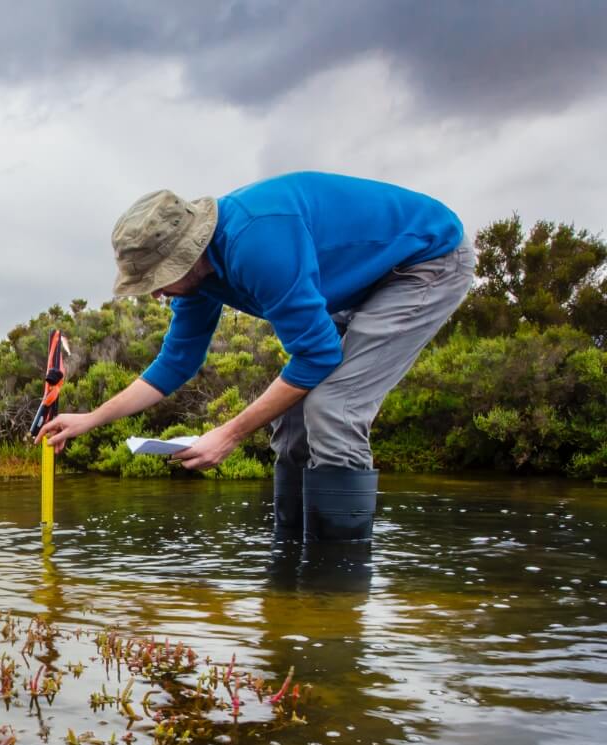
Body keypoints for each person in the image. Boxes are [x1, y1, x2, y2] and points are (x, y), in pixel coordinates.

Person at [36, 171, 475, 542]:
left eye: (160, 277)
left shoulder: (258, 244)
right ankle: (288, 574)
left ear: (189, 254)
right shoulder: (200, 279)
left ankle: (335, 590)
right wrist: (91, 418)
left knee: (332, 407)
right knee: (294, 418)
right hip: (358, 281)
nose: (155, 291)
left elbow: (317, 356)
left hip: (424, 263)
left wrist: (229, 434)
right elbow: (177, 362)